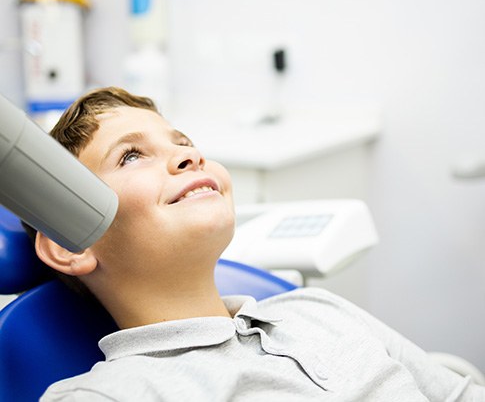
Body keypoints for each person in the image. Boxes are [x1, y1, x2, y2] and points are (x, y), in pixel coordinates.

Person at [31, 87, 484, 401]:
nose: (189, 156)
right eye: (131, 155)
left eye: (183, 142)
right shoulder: (112, 393)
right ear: (71, 244)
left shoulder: (320, 310)